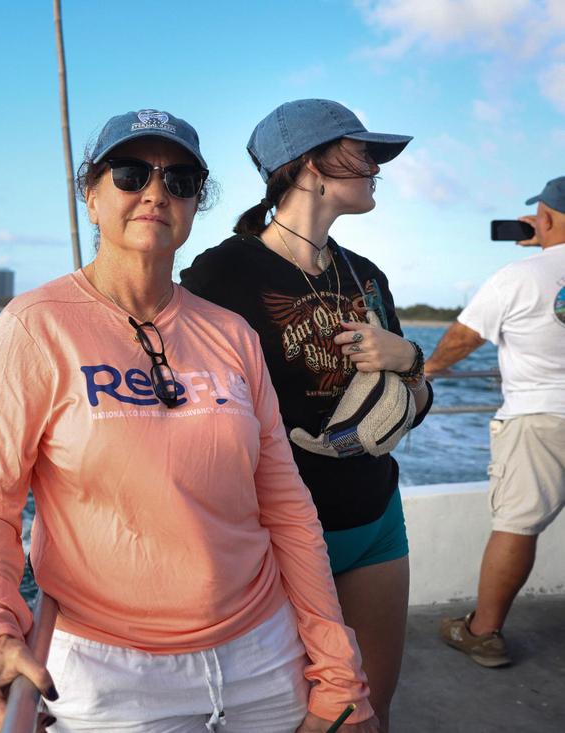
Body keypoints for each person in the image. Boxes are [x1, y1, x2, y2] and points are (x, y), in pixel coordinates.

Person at [0, 108, 378, 733]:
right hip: (111, 677)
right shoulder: (33, 328)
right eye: (130, 174)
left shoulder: (231, 332)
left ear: (194, 203)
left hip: (264, 654)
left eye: (180, 180)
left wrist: (339, 669)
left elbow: (286, 504)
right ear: (90, 195)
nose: (156, 191)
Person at [180, 99, 434, 733]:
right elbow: (183, 410)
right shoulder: (222, 274)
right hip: (280, 535)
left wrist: (409, 356)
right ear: (311, 168)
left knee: (367, 714)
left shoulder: (366, 275)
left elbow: (413, 401)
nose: (376, 167)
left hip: (377, 520)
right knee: (294, 717)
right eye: (362, 153)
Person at [425, 176, 565, 667]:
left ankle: (482, 633)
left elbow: (464, 339)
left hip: (537, 420)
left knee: (516, 526)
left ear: (542, 217)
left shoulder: (520, 275)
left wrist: (424, 371)